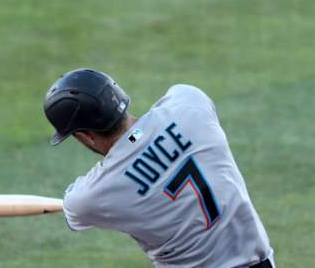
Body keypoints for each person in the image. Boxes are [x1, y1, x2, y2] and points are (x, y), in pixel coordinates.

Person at [44, 68, 275, 268]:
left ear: (85, 136)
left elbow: (74, 206)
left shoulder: (94, 195)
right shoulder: (189, 102)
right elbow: (138, 136)